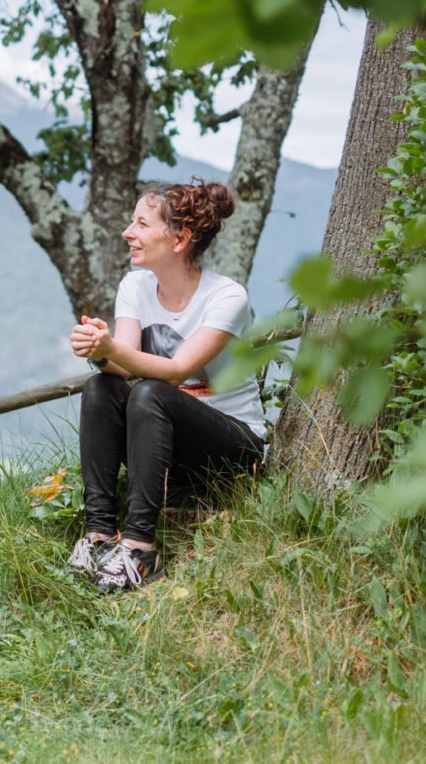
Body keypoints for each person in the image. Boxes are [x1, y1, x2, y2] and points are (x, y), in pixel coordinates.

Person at [67, 179, 266, 593]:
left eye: (141, 224)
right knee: (100, 386)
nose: (128, 232)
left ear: (180, 238)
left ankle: (140, 549)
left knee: (153, 391)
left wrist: (111, 349)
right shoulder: (135, 286)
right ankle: (100, 537)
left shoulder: (227, 296)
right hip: (167, 437)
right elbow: (120, 365)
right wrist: (99, 350)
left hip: (232, 446)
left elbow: (176, 371)